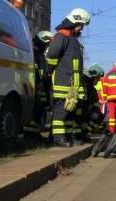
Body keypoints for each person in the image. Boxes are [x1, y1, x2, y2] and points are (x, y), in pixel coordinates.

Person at [47, 8, 90, 147]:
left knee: (70, 113)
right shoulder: (61, 37)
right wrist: (49, 72)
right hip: (63, 82)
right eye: (80, 25)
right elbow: (52, 56)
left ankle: (69, 136)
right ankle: (58, 138)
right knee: (61, 112)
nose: (81, 28)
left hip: (72, 85)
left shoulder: (71, 39)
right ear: (74, 22)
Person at [24, 31, 54, 137]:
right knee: (36, 112)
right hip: (36, 87)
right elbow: (37, 71)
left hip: (40, 88)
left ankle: (35, 134)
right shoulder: (34, 53)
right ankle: (31, 135)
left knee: (40, 111)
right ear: (42, 42)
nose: (47, 47)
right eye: (47, 44)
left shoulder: (39, 54)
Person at [78, 64, 105, 141]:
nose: (99, 80)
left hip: (86, 110)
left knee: (98, 116)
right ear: (93, 76)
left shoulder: (91, 87)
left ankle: (84, 133)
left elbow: (95, 100)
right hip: (79, 110)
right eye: (98, 77)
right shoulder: (82, 83)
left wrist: (95, 107)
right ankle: (80, 134)